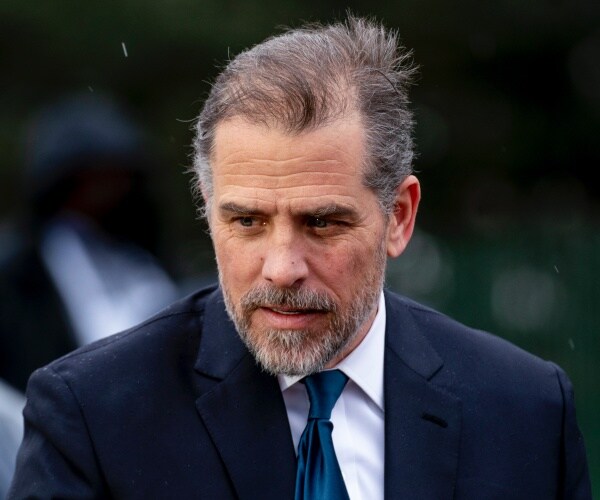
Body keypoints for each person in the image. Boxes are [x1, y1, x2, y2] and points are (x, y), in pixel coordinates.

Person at [8, 15, 591, 499]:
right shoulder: (92, 415)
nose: (282, 267)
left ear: (400, 216)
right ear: (207, 209)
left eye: (322, 223)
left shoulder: (525, 411)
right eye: (247, 222)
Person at [0, 91, 180, 392]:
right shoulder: (20, 272)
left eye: (115, 178)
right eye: (93, 181)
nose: (108, 192)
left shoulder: (143, 258)